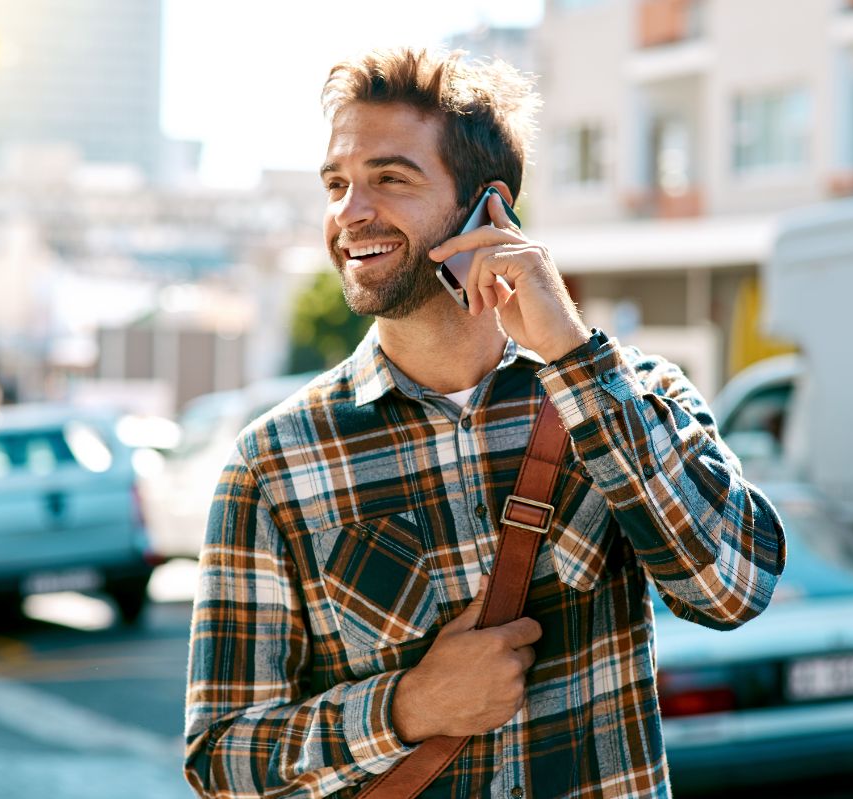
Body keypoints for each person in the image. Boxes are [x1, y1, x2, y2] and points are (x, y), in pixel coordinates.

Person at [184, 47, 786, 799]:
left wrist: (571, 355)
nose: (349, 213)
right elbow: (220, 761)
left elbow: (732, 588)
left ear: (488, 209)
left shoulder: (637, 396)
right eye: (337, 184)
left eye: (389, 178)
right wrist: (407, 708)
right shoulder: (272, 463)